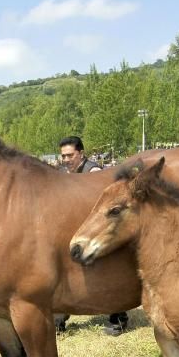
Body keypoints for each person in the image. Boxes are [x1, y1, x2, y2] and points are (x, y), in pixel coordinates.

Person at [58, 136, 129, 336]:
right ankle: (60, 315)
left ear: (81, 153)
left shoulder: (95, 172)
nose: (66, 159)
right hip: (76, 229)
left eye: (70, 155)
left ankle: (119, 317)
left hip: (98, 231)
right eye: (63, 156)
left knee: (108, 270)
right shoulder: (64, 173)